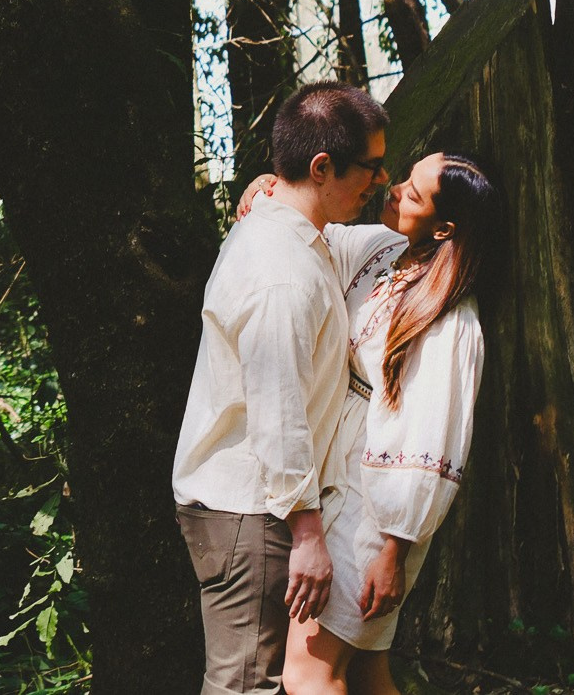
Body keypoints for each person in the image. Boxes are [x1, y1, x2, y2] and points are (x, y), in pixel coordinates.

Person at [236, 152, 502, 695]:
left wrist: (394, 551)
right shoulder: (386, 253)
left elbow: (434, 439)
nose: (395, 189)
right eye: (405, 178)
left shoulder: (451, 319)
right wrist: (273, 187)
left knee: (309, 670)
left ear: (444, 227)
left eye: (412, 193)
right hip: (344, 474)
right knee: (364, 672)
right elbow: (312, 237)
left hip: (379, 509)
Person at [175, 82, 391, 695]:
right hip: (253, 509)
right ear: (322, 167)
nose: (380, 179)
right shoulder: (281, 273)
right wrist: (307, 533)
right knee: (246, 685)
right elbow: (278, 413)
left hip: (256, 505)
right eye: (372, 167)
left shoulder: (296, 231)